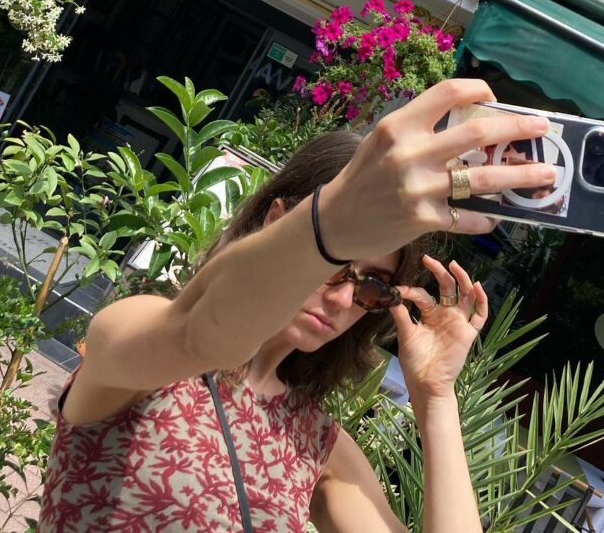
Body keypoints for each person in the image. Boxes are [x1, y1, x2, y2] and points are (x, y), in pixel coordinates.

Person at [38, 79, 557, 532]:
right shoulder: (139, 335)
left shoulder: (316, 442)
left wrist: (436, 398)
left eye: (371, 284)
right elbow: (205, 333)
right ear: (277, 219)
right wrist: (330, 223)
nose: (341, 296)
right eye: (333, 264)